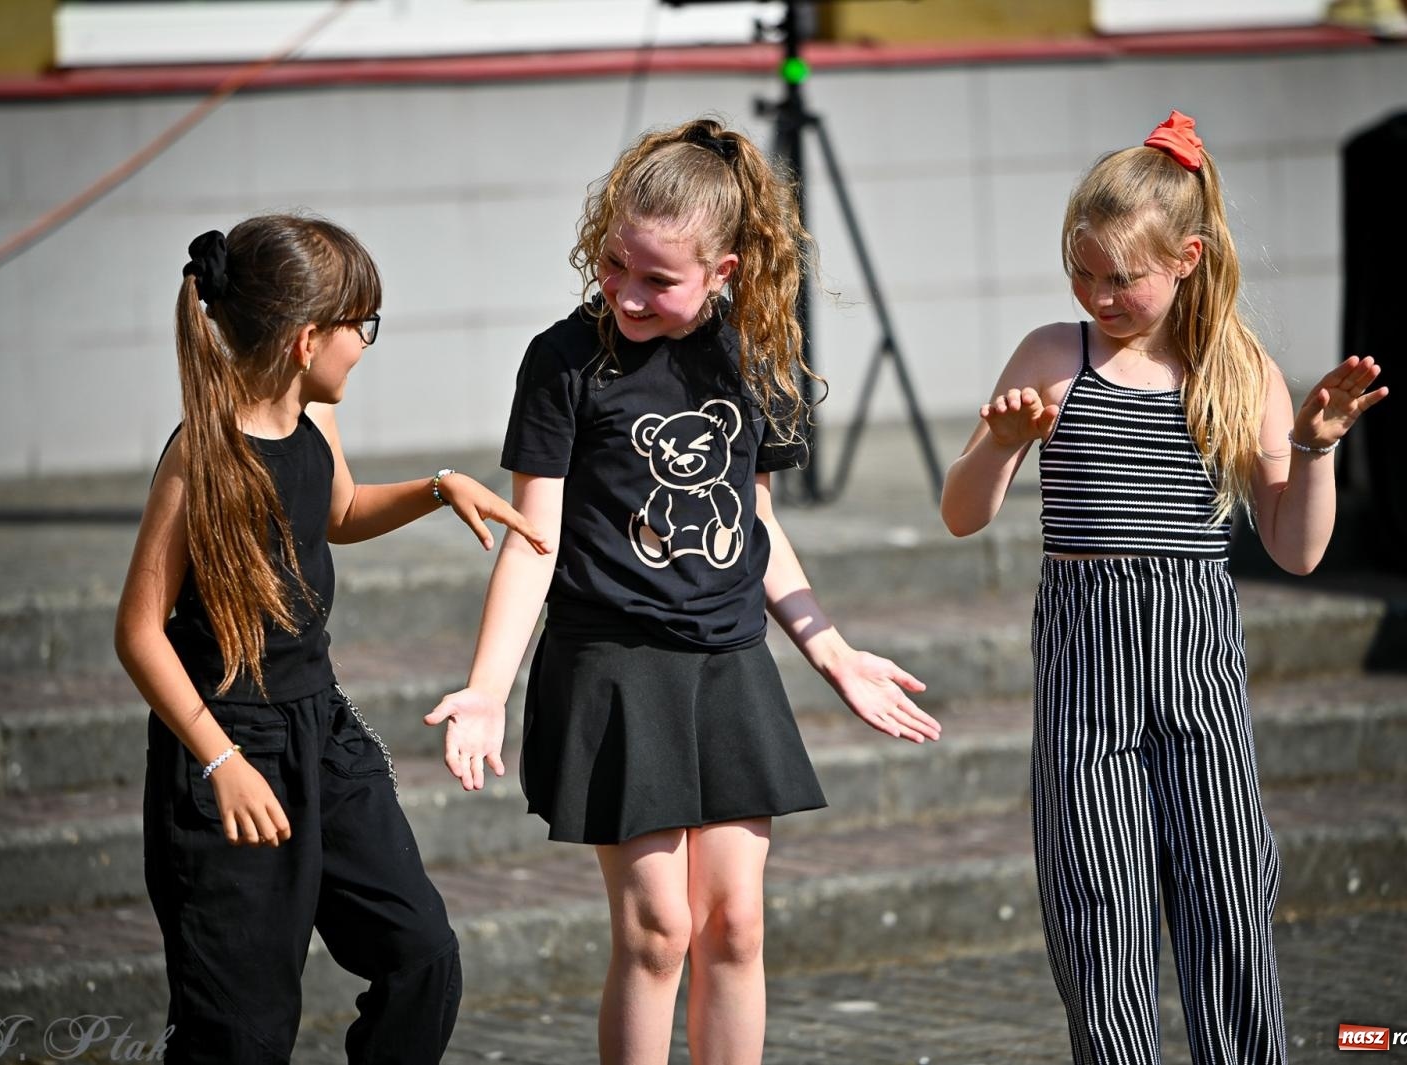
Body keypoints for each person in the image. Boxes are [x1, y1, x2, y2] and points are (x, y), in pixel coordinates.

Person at [425, 118, 942, 1065]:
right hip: (614, 665)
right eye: (617, 263)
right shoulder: (564, 360)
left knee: (736, 924)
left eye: (658, 279)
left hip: (730, 664)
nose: (626, 291)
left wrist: (834, 653)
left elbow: (758, 522)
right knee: (659, 928)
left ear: (726, 271)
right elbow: (533, 542)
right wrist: (487, 689)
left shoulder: (754, 355)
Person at [939, 111, 1387, 1065]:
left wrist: (1313, 450)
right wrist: (1005, 444)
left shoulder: (1239, 370)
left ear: (1186, 257)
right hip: (1086, 678)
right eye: (1083, 271)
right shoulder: (1054, 354)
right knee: (1098, 907)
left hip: (1198, 675)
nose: (1100, 294)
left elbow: (1297, 549)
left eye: (1123, 276)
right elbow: (961, 512)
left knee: (1227, 896)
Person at [115, 214, 549, 1065]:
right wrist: (219, 760)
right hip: (228, 753)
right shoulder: (199, 460)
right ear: (306, 339)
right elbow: (138, 631)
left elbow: (340, 511)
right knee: (239, 1035)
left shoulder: (313, 420)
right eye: (362, 326)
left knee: (421, 956)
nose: (366, 343)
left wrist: (439, 486)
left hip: (326, 735)